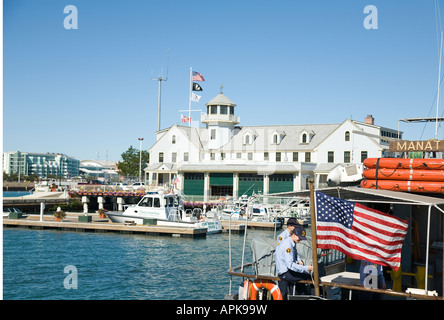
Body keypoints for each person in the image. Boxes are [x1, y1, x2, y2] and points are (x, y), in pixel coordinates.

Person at [275, 225, 313, 298]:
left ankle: (300, 295)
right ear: (294, 235)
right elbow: (290, 265)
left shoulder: (291, 242)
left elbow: (294, 255)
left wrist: (299, 261)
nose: (300, 240)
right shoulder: (288, 245)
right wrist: (306, 268)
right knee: (309, 277)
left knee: (303, 278)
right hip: (285, 273)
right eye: (300, 238)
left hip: (285, 271)